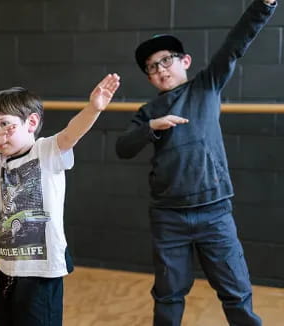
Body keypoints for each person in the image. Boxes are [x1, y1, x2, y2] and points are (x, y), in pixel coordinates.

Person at [115, 0, 277, 325]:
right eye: (152, 67)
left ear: (185, 61)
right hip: (168, 218)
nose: (160, 69)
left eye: (166, 61)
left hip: (214, 212)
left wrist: (265, 4)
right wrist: (152, 127)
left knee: (236, 292)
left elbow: (236, 43)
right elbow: (123, 147)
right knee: (168, 295)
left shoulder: (207, 85)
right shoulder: (148, 112)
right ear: (149, 78)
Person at [0, 74, 120, 325]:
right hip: (8, 268)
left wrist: (92, 108)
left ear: (31, 122)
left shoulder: (47, 150)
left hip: (42, 271)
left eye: (4, 125)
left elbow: (71, 133)